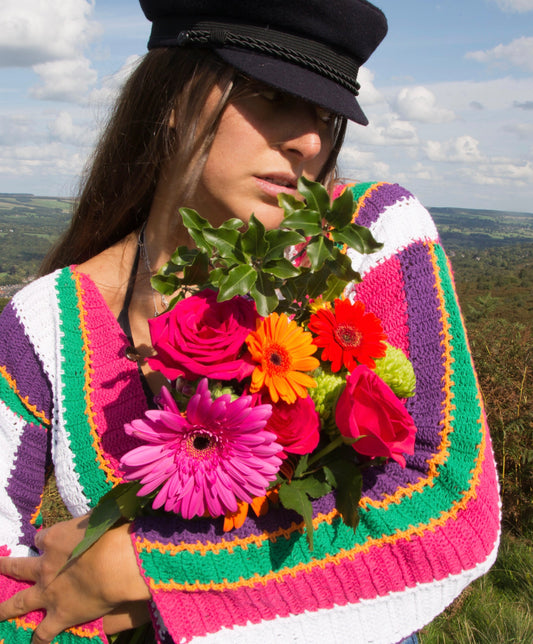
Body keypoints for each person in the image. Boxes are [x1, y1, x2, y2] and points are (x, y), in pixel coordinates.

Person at [0, 1, 500, 643]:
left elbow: (453, 505)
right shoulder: (44, 322)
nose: (310, 141)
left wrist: (149, 567)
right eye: (267, 95)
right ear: (173, 97)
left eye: (326, 114)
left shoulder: (366, 237)